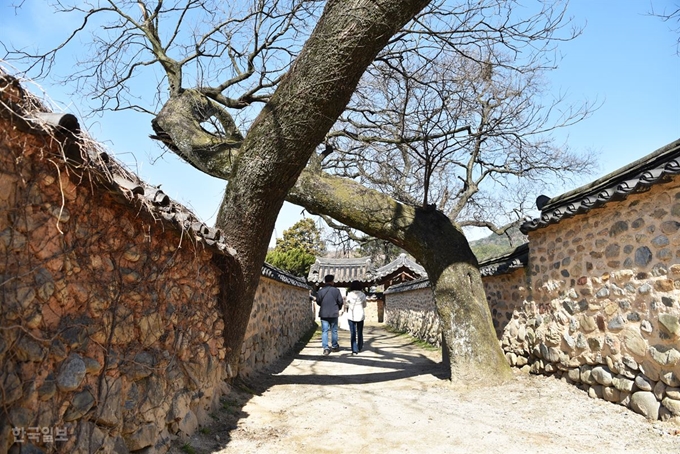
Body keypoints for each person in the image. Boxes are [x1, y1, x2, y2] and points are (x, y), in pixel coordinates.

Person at [316, 274, 344, 356]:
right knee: (334, 330)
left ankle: (326, 348)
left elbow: (318, 301)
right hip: (334, 313)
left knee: (324, 330)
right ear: (332, 281)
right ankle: (334, 346)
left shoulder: (321, 291)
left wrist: (323, 305)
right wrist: (338, 308)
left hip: (324, 313)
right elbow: (340, 301)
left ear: (325, 281)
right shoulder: (336, 291)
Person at [345, 280, 367, 355]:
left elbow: (347, 304)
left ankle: (354, 350)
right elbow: (364, 305)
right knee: (360, 332)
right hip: (360, 315)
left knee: (353, 333)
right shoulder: (363, 295)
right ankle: (360, 346)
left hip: (351, 315)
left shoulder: (349, 294)